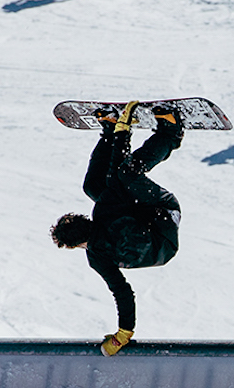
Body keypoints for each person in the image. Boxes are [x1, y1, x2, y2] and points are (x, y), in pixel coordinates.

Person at [50, 104, 186, 354]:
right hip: (163, 215)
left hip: (159, 242)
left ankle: (109, 129)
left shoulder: (97, 257)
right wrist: (122, 133)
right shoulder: (106, 213)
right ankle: (170, 133)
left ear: (77, 245)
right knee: (126, 173)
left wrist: (124, 332)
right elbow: (116, 168)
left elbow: (122, 292)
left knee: (94, 185)